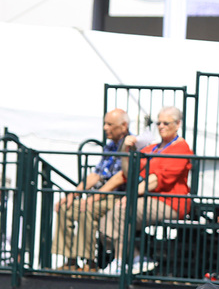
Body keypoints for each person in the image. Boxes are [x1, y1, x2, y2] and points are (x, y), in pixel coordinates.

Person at [98, 106, 193, 275]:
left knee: (121, 212)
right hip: (146, 199)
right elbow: (129, 173)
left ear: (178, 124)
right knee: (106, 224)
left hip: (170, 202)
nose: (161, 126)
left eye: (166, 123)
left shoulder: (182, 148)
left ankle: (120, 261)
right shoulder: (153, 148)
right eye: (159, 123)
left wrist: (132, 195)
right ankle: (136, 258)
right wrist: (126, 151)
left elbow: (158, 179)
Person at [55, 108, 130, 271]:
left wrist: (94, 197)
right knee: (65, 207)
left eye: (110, 124)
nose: (105, 128)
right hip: (102, 194)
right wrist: (73, 194)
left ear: (123, 126)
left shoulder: (130, 145)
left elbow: (120, 177)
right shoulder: (110, 146)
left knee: (87, 209)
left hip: (118, 197)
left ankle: (89, 262)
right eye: (105, 123)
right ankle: (70, 261)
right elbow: (96, 174)